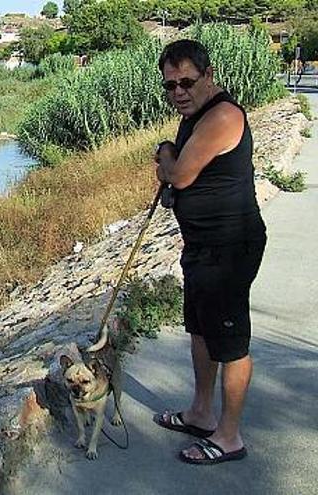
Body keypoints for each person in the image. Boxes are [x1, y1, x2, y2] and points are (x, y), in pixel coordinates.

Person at [152, 39, 267, 465]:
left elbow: (179, 175)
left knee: (230, 341)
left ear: (209, 76)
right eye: (170, 85)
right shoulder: (195, 116)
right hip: (202, 246)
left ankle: (229, 436)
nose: (178, 92)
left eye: (186, 82)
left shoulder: (221, 115)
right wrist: (170, 153)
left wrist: (165, 154)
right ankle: (201, 413)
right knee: (200, 330)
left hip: (229, 247)